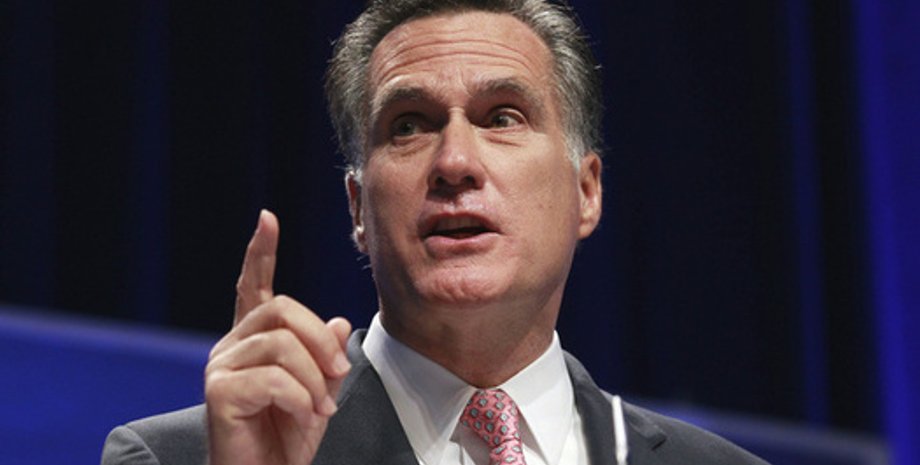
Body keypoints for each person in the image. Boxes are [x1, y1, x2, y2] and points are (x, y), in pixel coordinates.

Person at [102, 1, 769, 464]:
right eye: (409, 125)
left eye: (502, 117)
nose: (454, 162)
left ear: (585, 192)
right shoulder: (177, 459)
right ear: (357, 209)